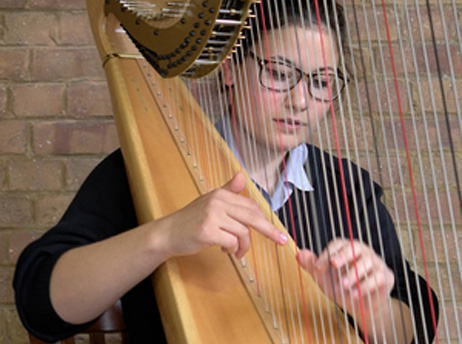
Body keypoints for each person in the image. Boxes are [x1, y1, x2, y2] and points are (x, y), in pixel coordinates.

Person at [14, 0, 438, 343]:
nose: (300, 101)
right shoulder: (140, 170)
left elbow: (410, 330)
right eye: (279, 74)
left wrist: (372, 309)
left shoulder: (350, 189)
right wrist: (165, 235)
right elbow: (40, 302)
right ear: (231, 67)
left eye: (321, 82)